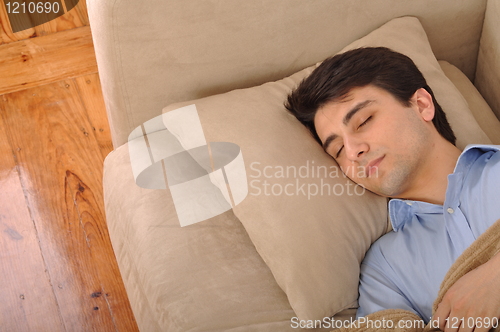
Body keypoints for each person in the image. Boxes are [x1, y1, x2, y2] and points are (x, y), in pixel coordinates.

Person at [285, 47, 500, 332]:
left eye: (364, 121)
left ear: (422, 105)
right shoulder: (384, 268)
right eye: (337, 150)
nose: (353, 151)